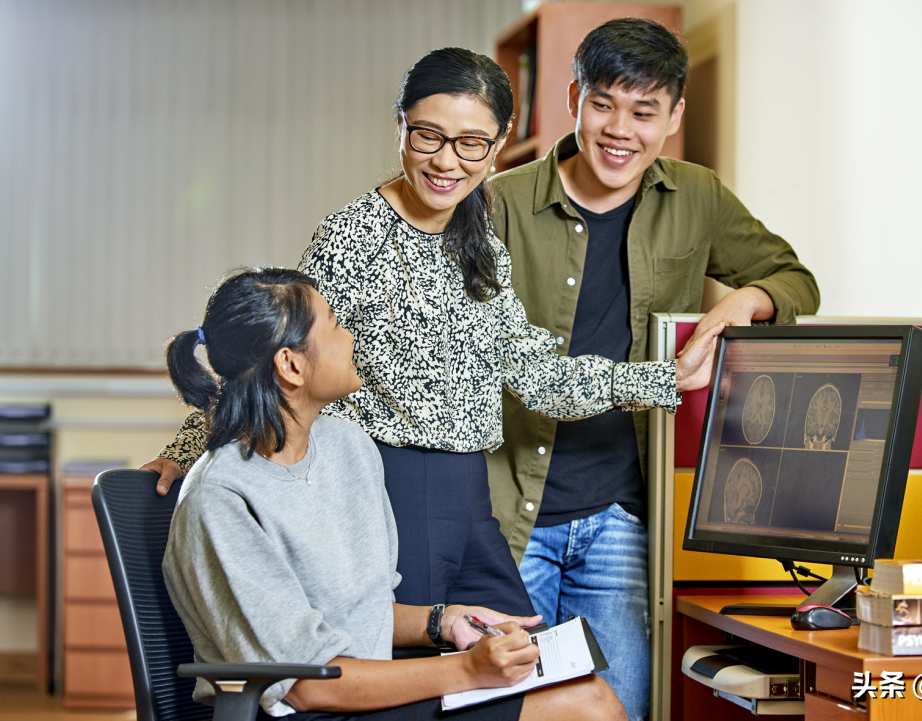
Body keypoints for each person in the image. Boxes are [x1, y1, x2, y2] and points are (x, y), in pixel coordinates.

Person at [144, 48, 719, 624]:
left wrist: (666, 378)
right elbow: (276, 355)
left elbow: (539, 379)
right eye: (428, 137)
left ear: (500, 142)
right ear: (400, 127)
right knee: (437, 684)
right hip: (393, 486)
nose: (449, 162)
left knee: (529, 661)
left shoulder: (481, 243)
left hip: (472, 495)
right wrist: (187, 448)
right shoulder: (356, 235)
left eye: (473, 142)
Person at [484, 19, 821, 720]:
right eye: (604, 103)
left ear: (674, 117)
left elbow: (793, 278)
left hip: (620, 515)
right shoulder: (501, 203)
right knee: (498, 708)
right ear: (573, 97)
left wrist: (744, 304)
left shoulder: (697, 197)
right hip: (507, 511)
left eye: (644, 111)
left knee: (623, 709)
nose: (620, 129)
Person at [161, 266, 626, 720]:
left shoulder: (348, 447)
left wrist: (444, 621)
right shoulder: (219, 498)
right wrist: (468, 671)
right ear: (292, 364)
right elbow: (302, 685)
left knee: (586, 691)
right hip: (319, 707)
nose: (351, 339)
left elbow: (368, 613)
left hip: (375, 692)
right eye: (336, 325)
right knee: (587, 707)